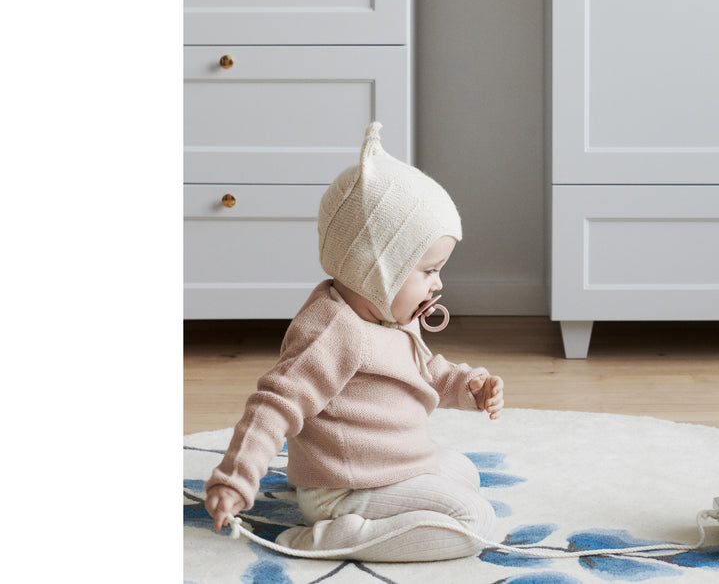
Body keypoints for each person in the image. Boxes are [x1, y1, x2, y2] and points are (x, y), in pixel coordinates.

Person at [204, 122, 505, 561]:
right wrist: (235, 480)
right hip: (344, 487)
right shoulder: (332, 332)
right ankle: (332, 537)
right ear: (377, 270)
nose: (438, 283)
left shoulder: (389, 314)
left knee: (465, 474)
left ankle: (392, 515)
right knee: (475, 522)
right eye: (428, 270)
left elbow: (419, 370)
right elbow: (274, 406)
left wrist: (468, 386)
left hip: (387, 465)